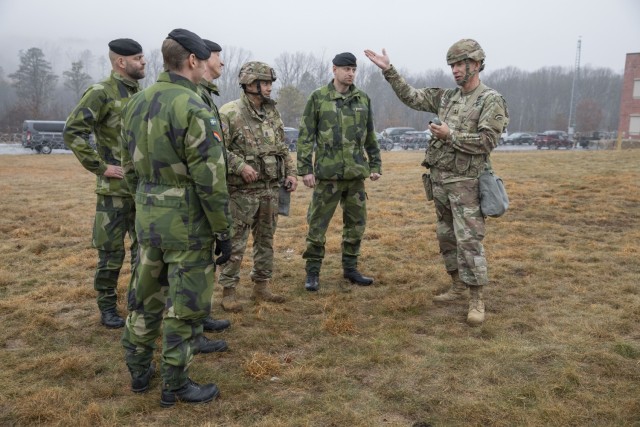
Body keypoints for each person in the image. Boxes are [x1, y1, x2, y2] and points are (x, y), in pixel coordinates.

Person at [119, 28, 233, 407]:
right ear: (193, 61)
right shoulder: (194, 107)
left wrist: (144, 205)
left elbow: (128, 168)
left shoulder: (136, 102)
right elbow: (211, 180)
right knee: (184, 307)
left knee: (145, 298)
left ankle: (138, 372)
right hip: (188, 224)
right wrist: (223, 230)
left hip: (148, 217)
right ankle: (175, 384)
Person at [364, 39, 509, 325]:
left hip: (467, 184)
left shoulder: (490, 99)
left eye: (459, 64)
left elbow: (487, 141)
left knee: (469, 241)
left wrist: (449, 135)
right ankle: (456, 286)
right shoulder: (447, 98)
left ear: (476, 64)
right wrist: (389, 70)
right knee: (446, 236)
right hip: (440, 182)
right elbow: (412, 97)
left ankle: (476, 298)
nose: (455, 70)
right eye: (451, 65)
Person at [63, 38, 146, 329]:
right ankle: (108, 307)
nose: (144, 62)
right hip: (114, 191)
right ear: (121, 62)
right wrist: (100, 167)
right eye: (138, 58)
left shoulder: (141, 94)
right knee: (111, 252)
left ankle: (139, 302)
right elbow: (73, 130)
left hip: (142, 189)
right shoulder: (101, 92)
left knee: (144, 250)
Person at [297, 52, 382, 292]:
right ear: (334, 70)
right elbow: (305, 136)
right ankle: (312, 271)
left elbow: (370, 135)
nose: (350, 73)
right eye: (346, 69)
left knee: (356, 225)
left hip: (355, 175)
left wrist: (375, 165)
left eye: (354, 69)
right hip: (327, 175)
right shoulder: (318, 98)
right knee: (317, 225)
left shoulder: (362, 99)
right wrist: (305, 169)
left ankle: (351, 268)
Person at [217, 61, 298, 312]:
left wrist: (292, 172)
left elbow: (282, 146)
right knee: (236, 241)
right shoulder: (229, 113)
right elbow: (217, 149)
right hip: (241, 193)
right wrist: (240, 166)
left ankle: (261, 286)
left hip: (270, 189)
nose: (270, 88)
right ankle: (228, 290)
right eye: (266, 83)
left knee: (266, 240)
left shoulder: (272, 112)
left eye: (271, 83)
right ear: (250, 84)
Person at [196, 39, 231, 332]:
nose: (222, 62)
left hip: (202, 198)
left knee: (202, 264)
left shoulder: (206, 95)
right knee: (190, 268)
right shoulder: (193, 97)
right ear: (202, 59)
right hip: (193, 200)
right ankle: (190, 324)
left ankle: (200, 316)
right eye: (219, 56)